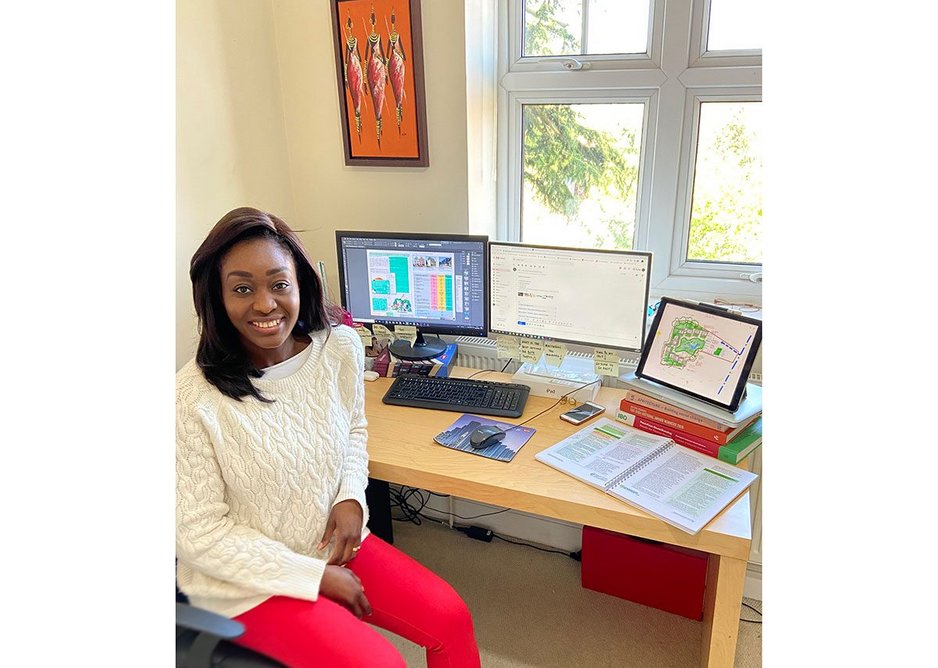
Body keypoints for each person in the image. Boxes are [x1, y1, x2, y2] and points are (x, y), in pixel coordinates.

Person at [176, 207, 481, 667]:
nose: (264, 304)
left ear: (301, 282)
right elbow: (199, 535)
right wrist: (312, 575)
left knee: (451, 618)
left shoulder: (338, 347)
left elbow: (354, 430)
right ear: (217, 298)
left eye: (279, 284)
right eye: (242, 288)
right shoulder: (188, 400)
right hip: (246, 583)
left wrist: (352, 499)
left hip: (332, 546)